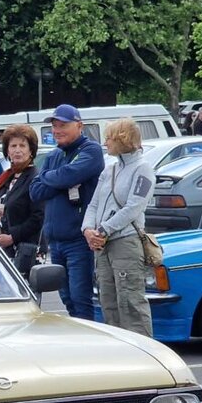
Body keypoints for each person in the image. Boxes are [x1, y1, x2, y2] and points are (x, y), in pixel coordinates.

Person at [29, 104, 105, 320]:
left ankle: (88, 339)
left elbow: (67, 176)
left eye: (63, 125)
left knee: (81, 298)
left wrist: (51, 178)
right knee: (67, 298)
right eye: (54, 126)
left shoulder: (91, 150)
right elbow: (35, 191)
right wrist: (60, 179)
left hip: (79, 240)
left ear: (79, 126)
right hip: (56, 241)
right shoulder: (54, 155)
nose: (57, 130)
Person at [83, 118, 156, 336]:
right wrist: (87, 230)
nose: (105, 143)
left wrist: (103, 230)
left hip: (125, 242)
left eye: (109, 138)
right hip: (102, 246)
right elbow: (94, 204)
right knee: (108, 302)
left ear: (123, 139)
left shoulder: (143, 169)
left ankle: (142, 348)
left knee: (130, 302)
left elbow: (135, 207)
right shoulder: (110, 170)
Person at [0, 124, 45, 276]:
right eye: (13, 146)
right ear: (7, 150)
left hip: (25, 252)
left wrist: (12, 237)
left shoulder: (36, 178)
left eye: (22, 146)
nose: (17, 150)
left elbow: (38, 217)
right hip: (0, 250)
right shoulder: (5, 178)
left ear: (31, 150)